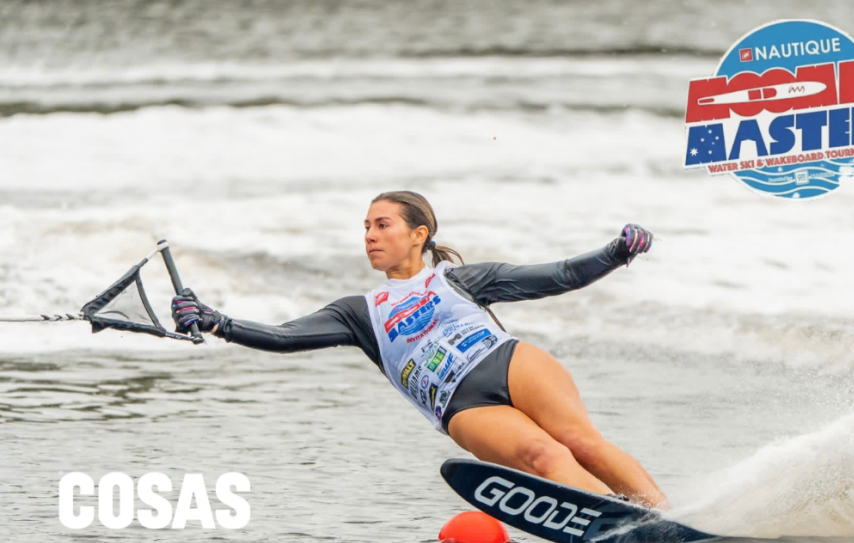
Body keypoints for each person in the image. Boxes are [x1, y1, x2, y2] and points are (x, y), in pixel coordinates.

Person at [171, 191, 669, 509]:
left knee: (582, 444)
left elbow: (558, 275)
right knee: (544, 454)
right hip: (461, 405)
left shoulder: (461, 279)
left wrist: (616, 253)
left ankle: (665, 516)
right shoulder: (358, 312)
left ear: (418, 234)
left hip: (509, 363)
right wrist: (218, 322)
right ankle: (621, 520)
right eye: (366, 227)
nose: (369, 236)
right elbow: (284, 336)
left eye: (381, 224)